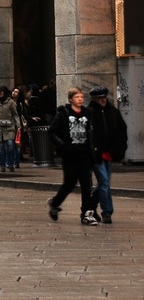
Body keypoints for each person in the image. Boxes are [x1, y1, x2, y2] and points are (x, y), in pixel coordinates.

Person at [47, 87, 98, 225]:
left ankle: (86, 214)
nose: (80, 99)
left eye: (81, 97)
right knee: (69, 183)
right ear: (71, 99)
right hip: (70, 154)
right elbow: (51, 132)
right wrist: (62, 145)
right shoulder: (63, 113)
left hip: (84, 154)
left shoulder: (88, 113)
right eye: (77, 97)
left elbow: (92, 132)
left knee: (86, 184)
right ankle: (55, 203)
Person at [87, 85, 127, 224]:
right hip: (96, 154)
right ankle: (107, 212)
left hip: (109, 153)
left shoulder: (112, 112)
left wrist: (121, 147)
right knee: (104, 182)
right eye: (99, 98)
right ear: (94, 99)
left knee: (104, 183)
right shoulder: (90, 113)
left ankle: (90, 206)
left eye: (104, 97)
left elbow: (122, 129)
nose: (103, 100)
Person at [0, 86, 20, 172]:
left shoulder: (10, 102)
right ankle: (2, 165)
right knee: (0, 148)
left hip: (9, 128)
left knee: (10, 145)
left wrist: (18, 125)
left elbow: (15, 114)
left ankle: (11, 163)